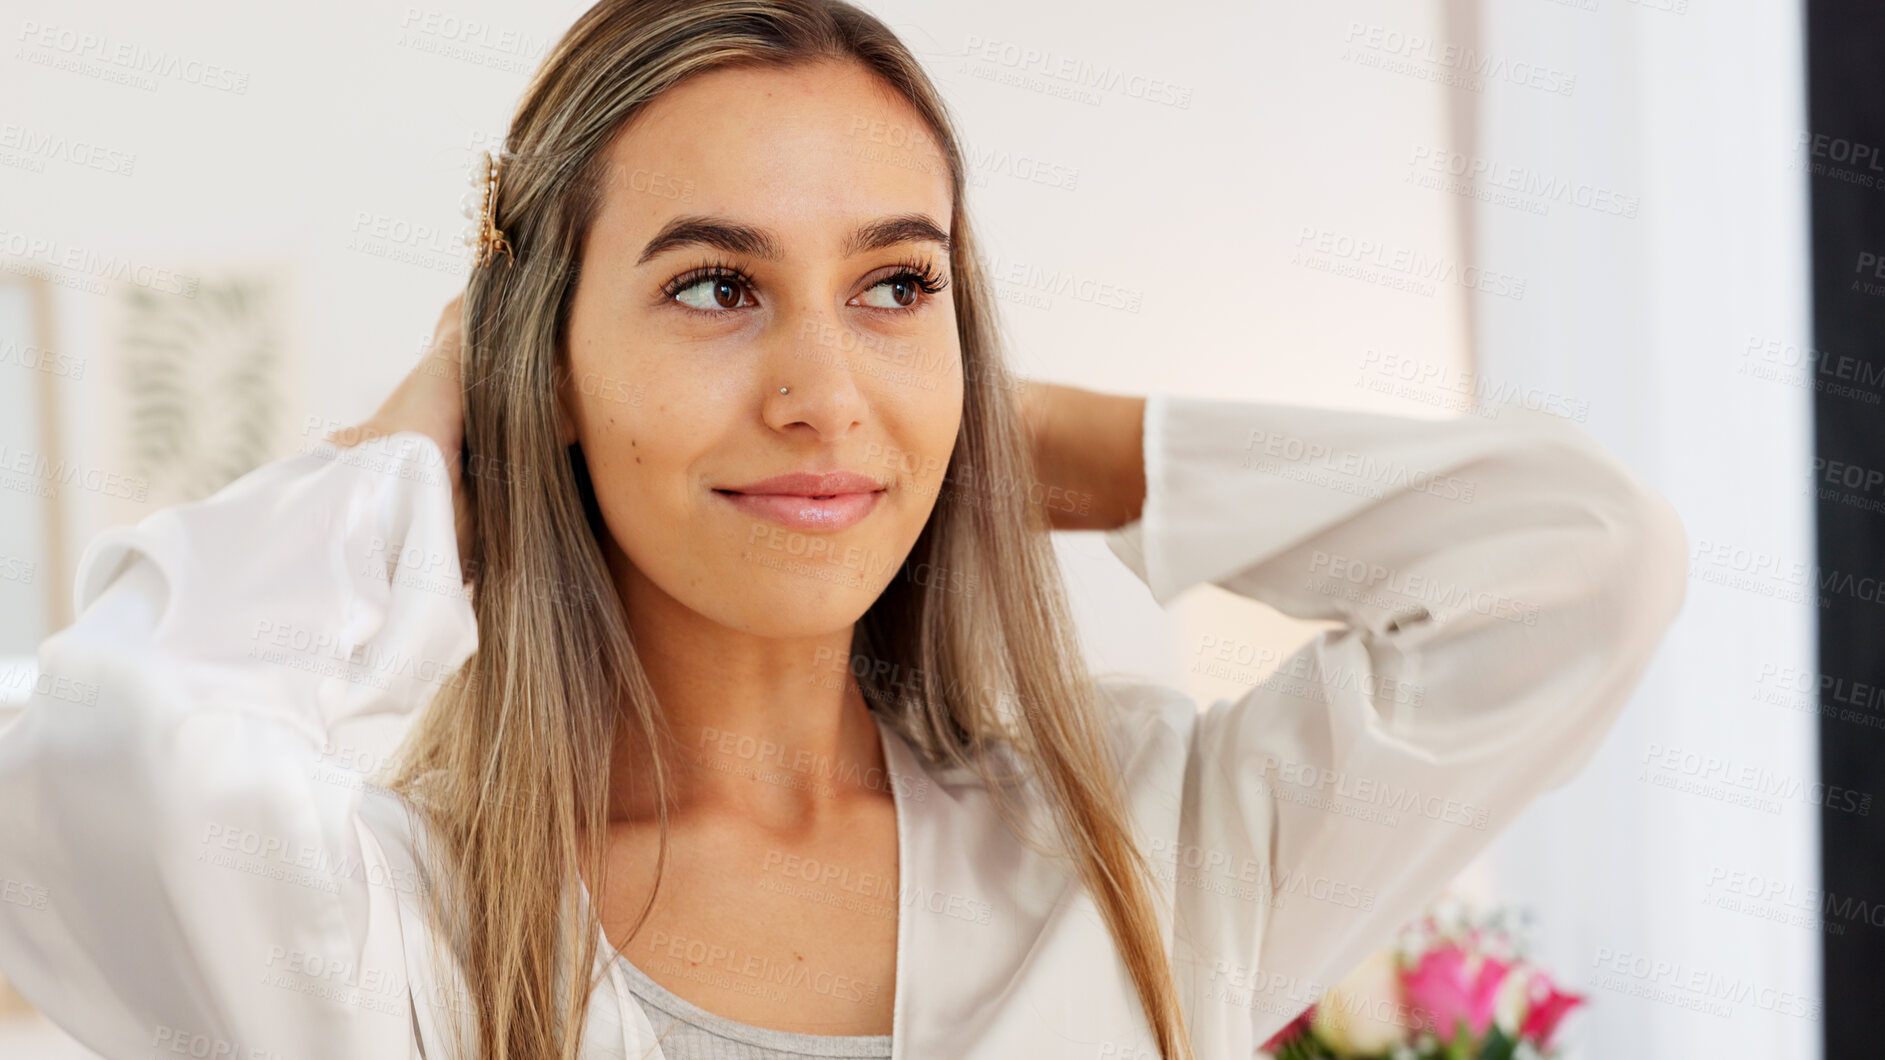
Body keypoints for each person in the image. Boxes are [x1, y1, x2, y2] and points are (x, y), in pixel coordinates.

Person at [0, 1, 1690, 1057]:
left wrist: (1016, 438)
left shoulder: (1151, 847)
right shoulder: (388, 930)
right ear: (550, 363)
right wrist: (418, 443)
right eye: (715, 286)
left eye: (896, 284)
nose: (820, 391)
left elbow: (1575, 565)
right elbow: (82, 747)